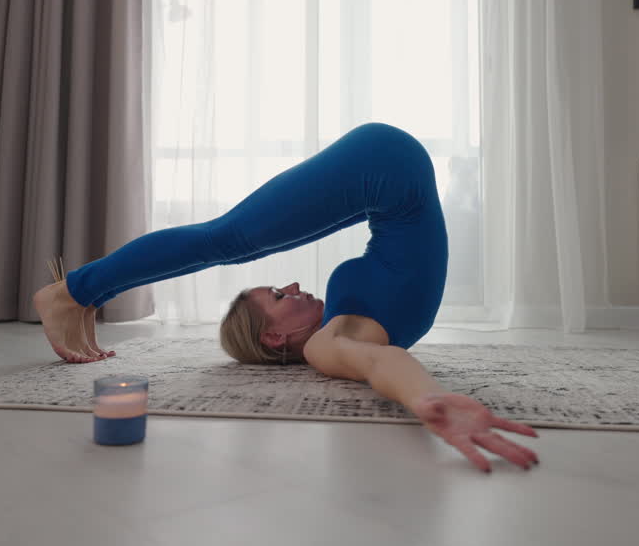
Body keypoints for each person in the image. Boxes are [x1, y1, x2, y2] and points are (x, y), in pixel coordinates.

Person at [33, 122, 539, 472]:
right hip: (384, 167)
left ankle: (80, 293)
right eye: (278, 294)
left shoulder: (336, 328)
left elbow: (378, 357)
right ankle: (74, 291)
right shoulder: (329, 344)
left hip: (385, 172)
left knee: (226, 239)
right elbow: (379, 361)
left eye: (280, 289)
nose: (294, 286)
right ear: (276, 336)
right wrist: (424, 398)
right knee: (224, 238)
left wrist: (419, 393)